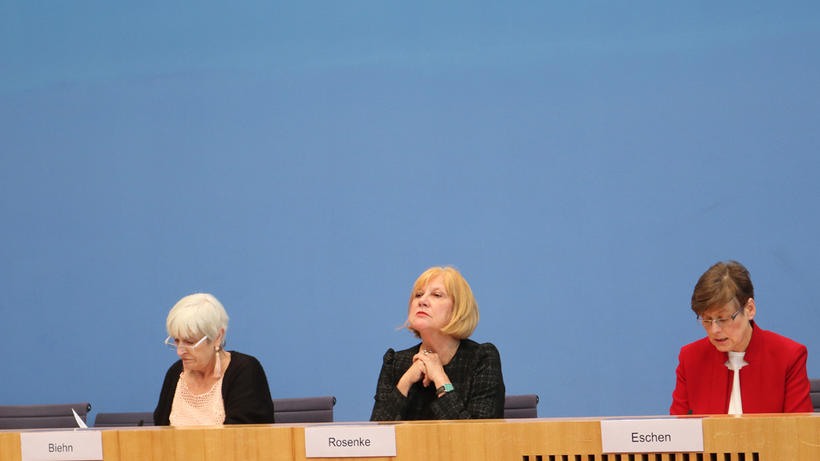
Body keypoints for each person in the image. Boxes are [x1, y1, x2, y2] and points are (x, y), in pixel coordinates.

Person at [670, 261, 812, 415]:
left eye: (723, 319)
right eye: (706, 320)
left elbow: (799, 433)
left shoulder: (788, 356)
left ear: (750, 309)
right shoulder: (691, 358)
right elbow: (678, 432)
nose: (714, 330)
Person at [370, 266, 505, 420]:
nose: (422, 301)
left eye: (437, 295)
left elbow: (477, 436)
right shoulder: (395, 363)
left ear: (458, 309)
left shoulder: (481, 358)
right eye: (418, 294)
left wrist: (440, 377)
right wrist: (405, 382)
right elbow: (376, 436)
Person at [154, 293, 275, 425]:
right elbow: (160, 433)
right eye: (177, 341)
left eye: (190, 342)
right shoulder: (175, 373)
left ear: (217, 337)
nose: (180, 352)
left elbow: (245, 438)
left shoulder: (245, 370)